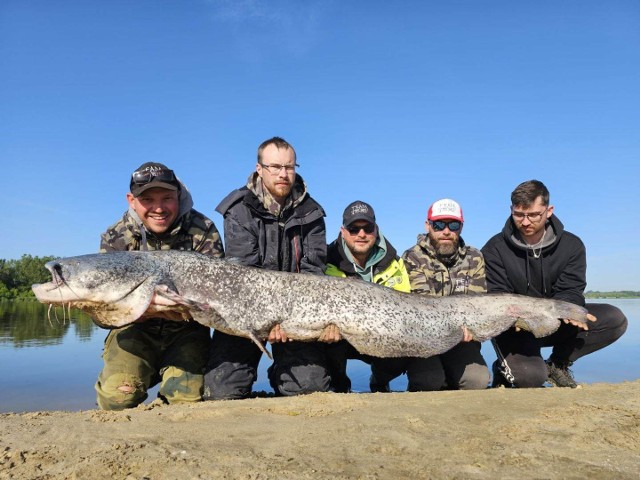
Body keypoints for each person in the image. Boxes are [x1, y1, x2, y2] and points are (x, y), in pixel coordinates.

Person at [204, 137, 331, 399]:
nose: (283, 174)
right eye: (275, 167)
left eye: (289, 167)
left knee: (311, 390)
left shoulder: (313, 213)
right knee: (219, 393)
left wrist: (288, 319)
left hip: (297, 315)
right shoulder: (238, 209)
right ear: (259, 169)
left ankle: (280, 372)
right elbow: (244, 273)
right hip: (244, 313)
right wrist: (267, 319)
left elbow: (313, 274)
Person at [95, 162, 225, 410]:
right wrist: (143, 309)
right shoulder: (115, 237)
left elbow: (215, 302)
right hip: (133, 329)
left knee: (187, 403)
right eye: (148, 199)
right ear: (131, 200)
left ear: (179, 196)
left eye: (167, 198)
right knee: (117, 400)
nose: (158, 208)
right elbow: (102, 315)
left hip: (187, 330)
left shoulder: (203, 230)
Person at [482, 180, 628, 388]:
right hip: (515, 327)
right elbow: (496, 295)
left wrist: (569, 309)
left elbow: (571, 288)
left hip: (556, 320)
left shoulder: (572, 245)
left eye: (533, 215)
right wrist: (518, 317)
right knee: (530, 378)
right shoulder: (494, 248)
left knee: (615, 319)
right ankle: (504, 367)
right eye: (519, 215)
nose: (525, 222)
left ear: (549, 211)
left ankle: (558, 364)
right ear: (511, 210)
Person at [371, 199, 491, 392]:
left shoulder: (474, 257)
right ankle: (378, 376)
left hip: (461, 339)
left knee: (477, 381)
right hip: (425, 340)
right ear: (428, 225)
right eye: (438, 224)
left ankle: (454, 381)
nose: (446, 231)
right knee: (429, 381)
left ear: (461, 226)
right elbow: (423, 307)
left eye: (453, 225)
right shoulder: (412, 257)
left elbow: (476, 305)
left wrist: (470, 329)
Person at [324, 200, 411, 392]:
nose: (361, 234)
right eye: (354, 229)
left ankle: (380, 380)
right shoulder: (324, 262)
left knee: (406, 346)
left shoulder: (395, 263)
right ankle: (339, 386)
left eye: (367, 228)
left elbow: (405, 307)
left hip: (380, 336)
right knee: (326, 342)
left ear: (376, 229)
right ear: (342, 231)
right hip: (341, 338)